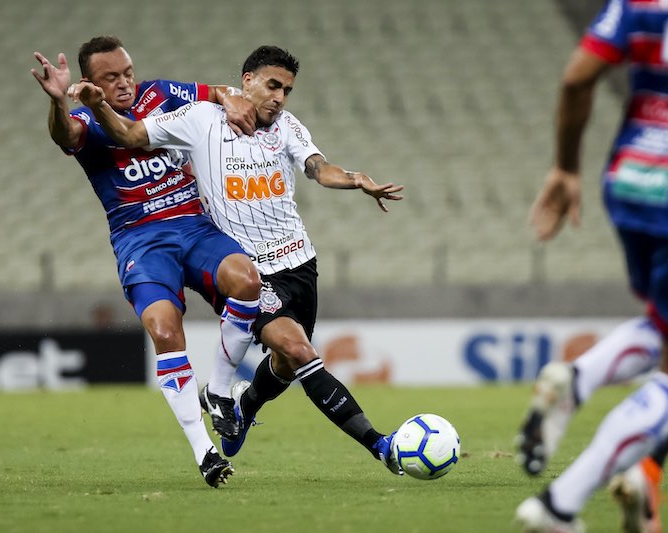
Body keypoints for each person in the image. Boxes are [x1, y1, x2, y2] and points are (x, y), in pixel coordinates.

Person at [71, 45, 407, 473]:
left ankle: (246, 404)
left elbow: (319, 169)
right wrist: (99, 109)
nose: (279, 97)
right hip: (248, 269)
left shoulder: (287, 127)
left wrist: (357, 179)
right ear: (245, 81)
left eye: (286, 89)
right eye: (272, 85)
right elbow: (130, 136)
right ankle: (381, 445)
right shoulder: (198, 120)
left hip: (301, 265)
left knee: (286, 361)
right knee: (299, 350)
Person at [513, 2, 668, 531]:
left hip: (634, 186)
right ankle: (560, 504)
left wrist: (564, 166)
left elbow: (578, 76)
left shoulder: (639, 2)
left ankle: (578, 379)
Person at [31, 36, 263, 488]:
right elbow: (66, 135)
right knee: (162, 328)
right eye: (111, 77)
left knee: (247, 280)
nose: (124, 83)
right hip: (140, 241)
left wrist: (231, 97)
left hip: (195, 226)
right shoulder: (82, 115)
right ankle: (204, 453)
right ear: (88, 83)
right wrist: (58, 102)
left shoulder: (160, 93)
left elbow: (213, 91)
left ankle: (217, 391)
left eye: (127, 72)